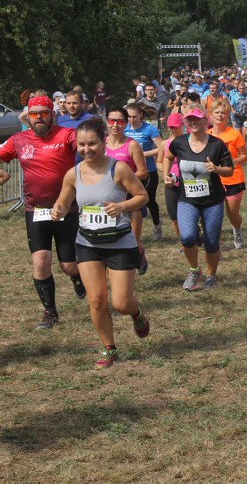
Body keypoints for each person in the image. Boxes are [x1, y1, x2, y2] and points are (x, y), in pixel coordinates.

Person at [51, 119, 150, 369]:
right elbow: (64, 202)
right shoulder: (73, 174)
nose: (86, 149)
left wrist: (122, 206)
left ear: (103, 141)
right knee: (96, 300)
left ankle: (136, 313)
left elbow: (142, 196)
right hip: (87, 243)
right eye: (82, 145)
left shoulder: (118, 170)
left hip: (119, 243)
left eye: (92, 143)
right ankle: (109, 348)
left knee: (121, 302)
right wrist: (58, 210)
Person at [0, 95, 86, 329]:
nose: (38, 118)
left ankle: (78, 278)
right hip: (35, 210)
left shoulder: (66, 135)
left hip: (66, 208)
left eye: (43, 113)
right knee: (41, 261)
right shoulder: (19, 139)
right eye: (34, 114)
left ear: (52, 114)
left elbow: (90, 151)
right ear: (27, 117)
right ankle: (50, 312)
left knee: (67, 265)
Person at [163, 107, 233, 290]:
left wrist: (216, 169)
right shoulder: (179, 143)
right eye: (189, 120)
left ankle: (211, 275)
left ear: (205, 121)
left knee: (211, 242)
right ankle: (194, 270)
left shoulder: (217, 145)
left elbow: (229, 170)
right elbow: (167, 157)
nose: (193, 122)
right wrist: (166, 175)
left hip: (213, 201)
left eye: (197, 119)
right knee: (186, 237)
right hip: (187, 200)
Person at [105, 107, 148, 262]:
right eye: (112, 121)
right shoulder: (100, 144)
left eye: (120, 121)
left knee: (131, 241)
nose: (115, 125)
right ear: (107, 122)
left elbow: (143, 172)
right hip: (105, 195)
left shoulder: (132, 145)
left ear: (126, 123)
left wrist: (123, 182)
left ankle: (138, 249)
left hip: (127, 193)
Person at [209, 100, 247, 249]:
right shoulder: (206, 135)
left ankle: (237, 229)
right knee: (214, 215)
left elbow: (245, 156)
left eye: (223, 113)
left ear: (227, 116)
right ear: (210, 115)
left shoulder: (234, 134)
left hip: (233, 179)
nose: (220, 115)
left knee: (233, 214)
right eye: (217, 112)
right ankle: (216, 246)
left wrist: (235, 160)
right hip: (213, 180)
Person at [125, 103, 164, 249]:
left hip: (148, 171)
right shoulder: (124, 129)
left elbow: (162, 147)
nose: (131, 120)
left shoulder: (149, 129)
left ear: (141, 115)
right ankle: (130, 232)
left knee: (147, 201)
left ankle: (156, 224)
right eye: (128, 116)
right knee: (129, 201)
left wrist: (143, 154)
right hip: (128, 173)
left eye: (134, 116)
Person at [160, 113, 185, 241]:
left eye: (175, 126)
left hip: (188, 182)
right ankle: (182, 241)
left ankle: (194, 231)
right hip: (171, 182)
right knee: (173, 215)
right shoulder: (165, 144)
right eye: (170, 127)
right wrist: (166, 174)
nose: (172, 129)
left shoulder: (189, 141)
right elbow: (159, 162)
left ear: (182, 125)